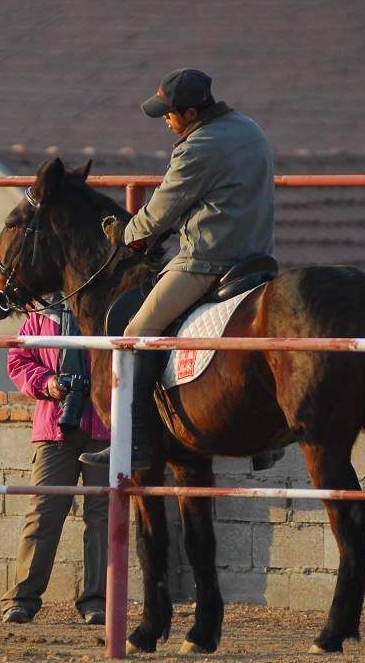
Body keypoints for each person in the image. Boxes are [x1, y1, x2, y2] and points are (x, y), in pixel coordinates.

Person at [80, 68, 275, 471]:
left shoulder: (197, 146)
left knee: (134, 335)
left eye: (168, 114)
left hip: (208, 260)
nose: (165, 121)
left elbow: (161, 210)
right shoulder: (250, 129)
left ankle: (135, 443)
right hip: (258, 257)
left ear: (189, 111)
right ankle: (266, 442)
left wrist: (126, 234)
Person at [1, 302, 110, 625]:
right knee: (44, 511)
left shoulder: (108, 304)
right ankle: (21, 598)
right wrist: (48, 383)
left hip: (105, 425)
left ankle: (97, 601)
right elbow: (18, 360)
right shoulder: (40, 315)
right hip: (54, 424)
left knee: (103, 517)